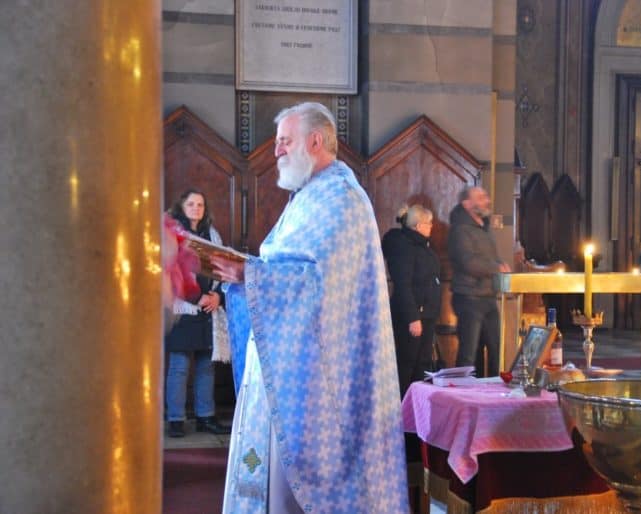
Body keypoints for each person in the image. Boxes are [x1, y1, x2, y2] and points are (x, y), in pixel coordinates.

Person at [212, 102, 409, 514]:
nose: (277, 152)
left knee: (298, 494)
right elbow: (288, 269)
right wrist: (245, 275)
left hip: (322, 384)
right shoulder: (309, 197)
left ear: (314, 141)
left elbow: (317, 282)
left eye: (285, 141)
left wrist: (251, 275)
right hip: (288, 370)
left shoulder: (341, 199)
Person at [164, 189, 230, 438]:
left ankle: (206, 416)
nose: (196, 208)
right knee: (179, 366)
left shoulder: (212, 235)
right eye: (191, 204)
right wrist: (195, 296)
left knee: (206, 367)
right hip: (182, 308)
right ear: (181, 206)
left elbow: (224, 268)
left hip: (207, 308)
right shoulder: (172, 235)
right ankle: (176, 419)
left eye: (200, 204)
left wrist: (217, 296)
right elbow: (168, 273)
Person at [447, 186, 510, 377]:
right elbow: (468, 261)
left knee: (496, 349)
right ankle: (462, 393)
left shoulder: (484, 226)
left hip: (488, 296)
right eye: (481, 198)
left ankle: (492, 390)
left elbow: (489, 257)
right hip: (469, 297)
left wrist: (501, 264)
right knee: (469, 353)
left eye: (485, 197)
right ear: (467, 204)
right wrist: (495, 267)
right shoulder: (459, 230)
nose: (487, 201)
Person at [381, 204, 441, 397]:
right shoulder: (403, 247)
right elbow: (403, 285)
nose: (431, 226)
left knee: (422, 364)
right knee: (408, 364)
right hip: (412, 316)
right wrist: (413, 318)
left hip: (426, 314)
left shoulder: (422, 245)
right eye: (428, 223)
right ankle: (403, 409)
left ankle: (416, 409)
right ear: (417, 226)